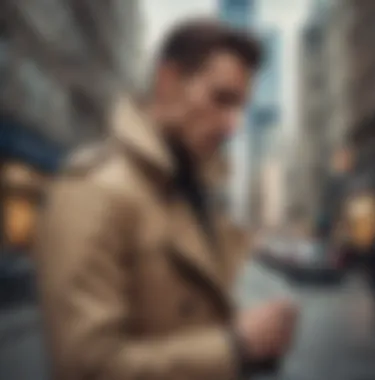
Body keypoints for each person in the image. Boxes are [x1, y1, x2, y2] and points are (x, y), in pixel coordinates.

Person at [36, 19, 298, 380]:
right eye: (220, 99)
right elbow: (86, 366)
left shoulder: (196, 190)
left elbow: (190, 328)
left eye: (239, 107)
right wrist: (234, 346)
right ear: (169, 83)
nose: (232, 126)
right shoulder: (92, 190)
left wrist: (252, 342)